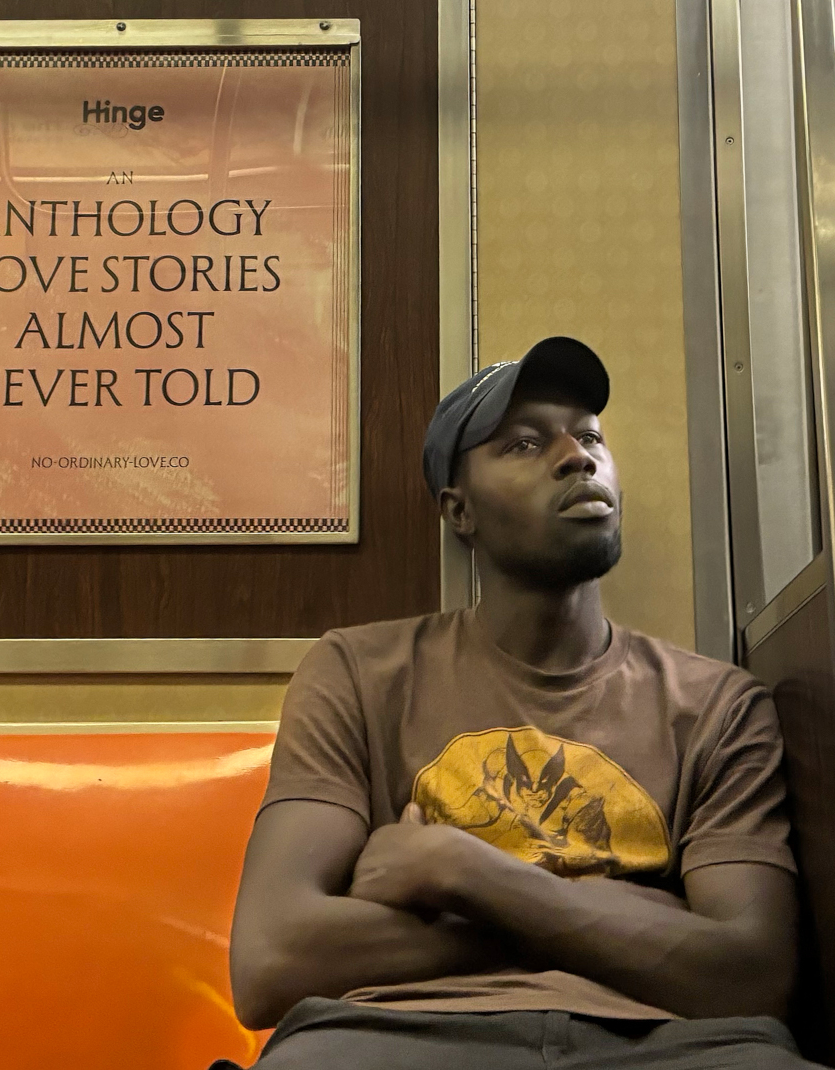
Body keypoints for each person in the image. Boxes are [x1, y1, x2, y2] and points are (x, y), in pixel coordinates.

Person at [222, 337, 814, 1069]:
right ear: (460, 511)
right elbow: (269, 961)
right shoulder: (357, 673)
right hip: (393, 1036)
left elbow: (753, 977)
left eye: (590, 437)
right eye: (525, 443)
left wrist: (459, 871)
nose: (577, 458)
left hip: (670, 1044)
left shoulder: (719, 706)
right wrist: (623, 918)